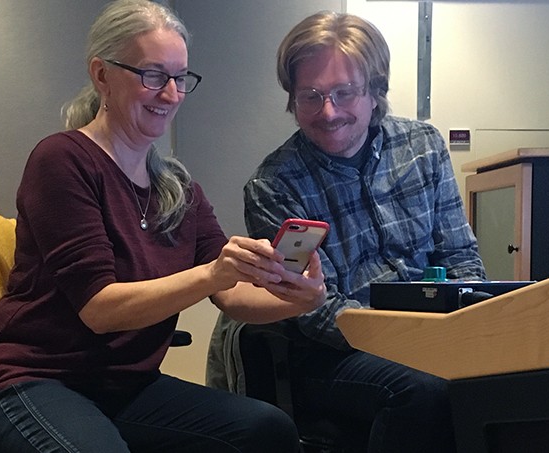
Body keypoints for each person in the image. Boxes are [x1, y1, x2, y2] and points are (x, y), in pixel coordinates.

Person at [0, 1, 327, 452]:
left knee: (266, 430)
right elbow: (100, 309)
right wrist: (213, 273)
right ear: (102, 75)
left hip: (126, 387)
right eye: (152, 75)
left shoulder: (179, 188)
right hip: (34, 379)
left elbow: (232, 295)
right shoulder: (62, 160)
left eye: (180, 78)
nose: (171, 94)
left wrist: (298, 299)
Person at [207, 10, 486, 453]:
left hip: (434, 334)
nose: (328, 112)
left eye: (344, 93)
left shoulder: (422, 147)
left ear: (375, 91)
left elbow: (460, 258)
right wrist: (408, 343)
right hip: (331, 354)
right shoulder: (274, 186)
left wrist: (474, 327)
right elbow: (312, 310)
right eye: (311, 96)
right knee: (425, 391)